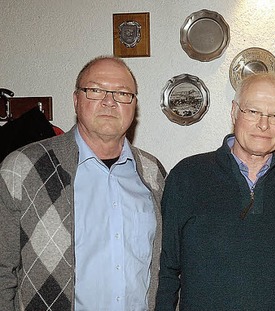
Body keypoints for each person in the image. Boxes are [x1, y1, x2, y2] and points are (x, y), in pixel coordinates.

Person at [0, 56, 166, 310]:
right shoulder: (22, 168)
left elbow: (166, 267)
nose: (109, 101)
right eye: (96, 90)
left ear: (134, 106)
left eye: (123, 93)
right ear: (76, 100)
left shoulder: (153, 174)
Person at [156, 73, 275, 310]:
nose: (263, 124)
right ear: (234, 111)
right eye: (253, 111)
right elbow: (166, 270)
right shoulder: (187, 176)